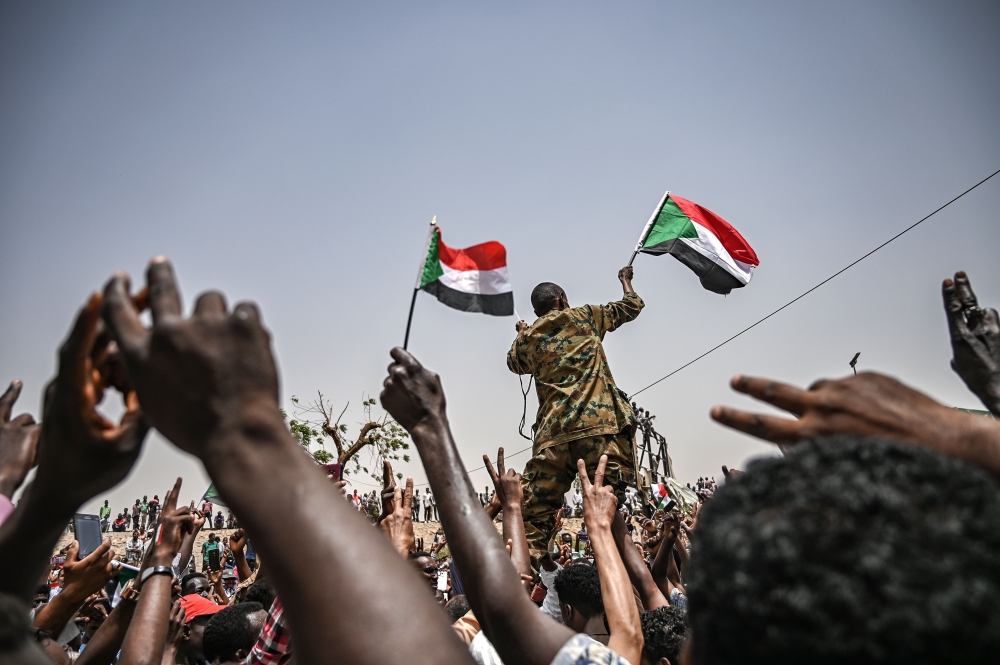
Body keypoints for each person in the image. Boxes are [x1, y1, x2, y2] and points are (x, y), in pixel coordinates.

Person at [508, 266, 643, 565]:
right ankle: (623, 588)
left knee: (532, 519)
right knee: (608, 514)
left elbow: (514, 364)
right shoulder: (585, 316)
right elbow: (631, 306)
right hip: (600, 433)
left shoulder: (529, 338)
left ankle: (528, 591)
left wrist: (522, 334)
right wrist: (625, 281)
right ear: (562, 298)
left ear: (537, 310)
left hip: (552, 440)